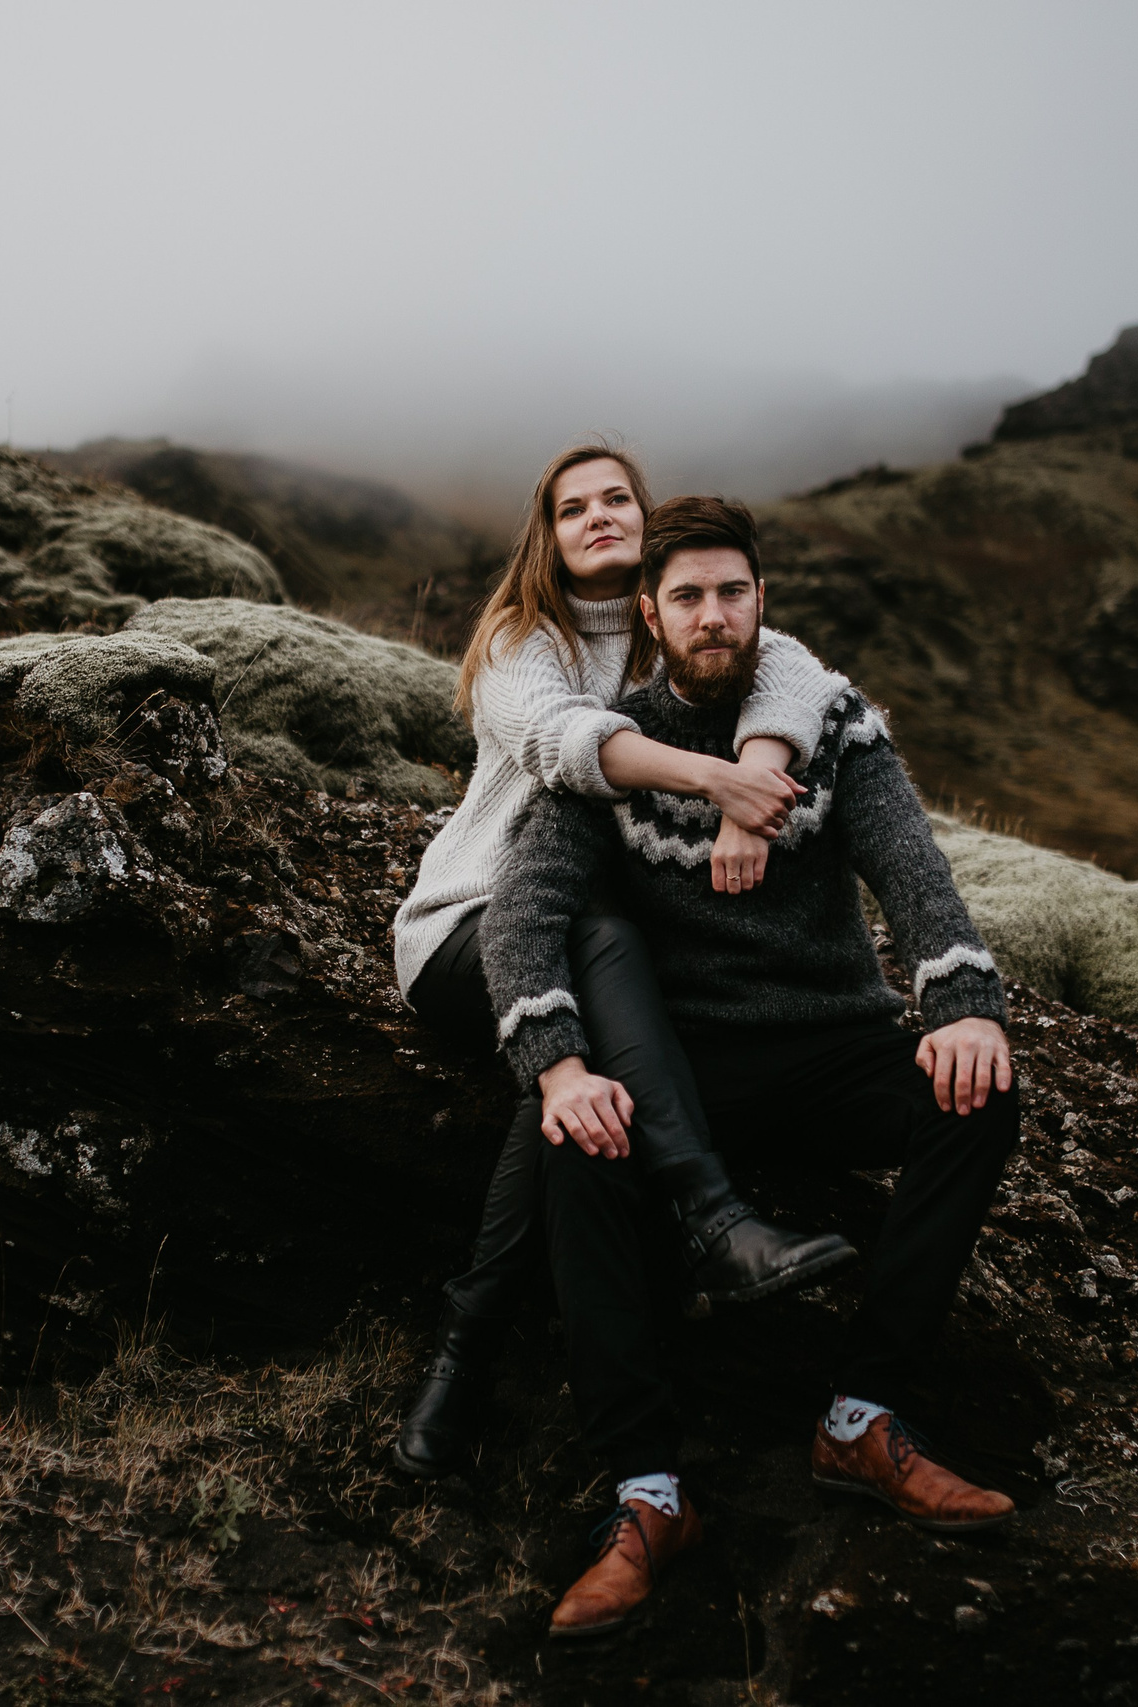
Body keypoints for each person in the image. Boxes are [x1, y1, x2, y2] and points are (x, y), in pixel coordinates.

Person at [482, 495, 1023, 1638]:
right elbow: (521, 919)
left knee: (977, 1094)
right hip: (694, 1066)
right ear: (651, 612)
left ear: (761, 602)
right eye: (688, 598)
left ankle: (861, 1419)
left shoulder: (830, 723)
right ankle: (645, 1493)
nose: (713, 615)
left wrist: (964, 1002)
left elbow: (912, 871)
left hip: (831, 1041)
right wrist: (560, 1065)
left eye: (733, 592)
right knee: (575, 1140)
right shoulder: (615, 745)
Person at [388, 444, 858, 1480]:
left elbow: (796, 671)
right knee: (595, 952)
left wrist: (758, 771)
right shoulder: (524, 639)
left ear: (646, 522)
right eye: (573, 507)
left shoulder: (677, 623)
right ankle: (710, 1213)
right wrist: (713, 776)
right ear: (547, 537)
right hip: (474, 928)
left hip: (600, 965)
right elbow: (566, 742)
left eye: (617, 499)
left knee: (573, 1096)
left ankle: (463, 1367)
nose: (598, 515)